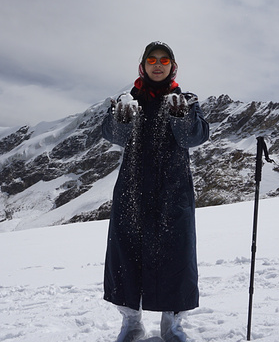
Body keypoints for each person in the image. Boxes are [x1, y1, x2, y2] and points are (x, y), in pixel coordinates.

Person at [102, 41, 209, 342]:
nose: (158, 64)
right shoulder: (128, 99)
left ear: (173, 67)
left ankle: (172, 325)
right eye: (152, 59)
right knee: (126, 255)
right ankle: (131, 323)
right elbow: (113, 135)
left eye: (164, 60)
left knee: (176, 255)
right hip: (132, 191)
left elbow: (196, 136)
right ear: (143, 66)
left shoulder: (186, 99)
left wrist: (182, 117)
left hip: (173, 193)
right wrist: (121, 118)